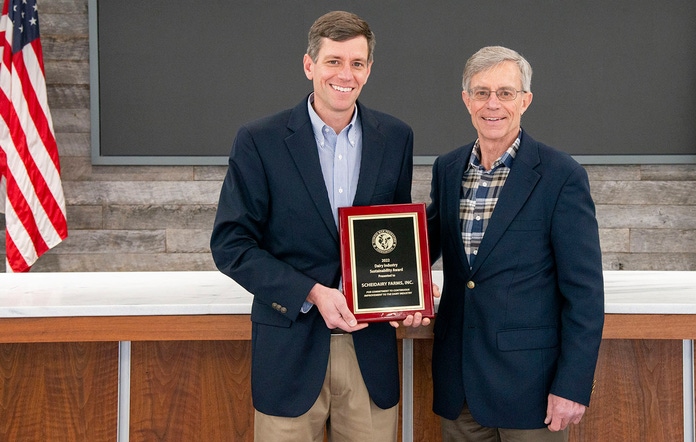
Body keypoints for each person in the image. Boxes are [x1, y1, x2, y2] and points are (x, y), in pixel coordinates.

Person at [210, 11, 427, 442]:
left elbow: (391, 236)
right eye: (333, 61)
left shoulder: (396, 138)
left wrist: (410, 288)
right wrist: (311, 293)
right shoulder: (259, 140)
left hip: (370, 350)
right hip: (291, 347)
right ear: (310, 65)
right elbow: (231, 244)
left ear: (368, 70)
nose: (345, 74)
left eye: (357, 63)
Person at [426, 46, 605, 441]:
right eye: (482, 92)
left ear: (525, 100)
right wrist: (388, 283)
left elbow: (585, 293)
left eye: (505, 93)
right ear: (466, 100)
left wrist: (571, 386)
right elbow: (426, 245)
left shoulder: (561, 175)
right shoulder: (448, 168)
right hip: (460, 387)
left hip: (532, 391)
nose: (493, 104)